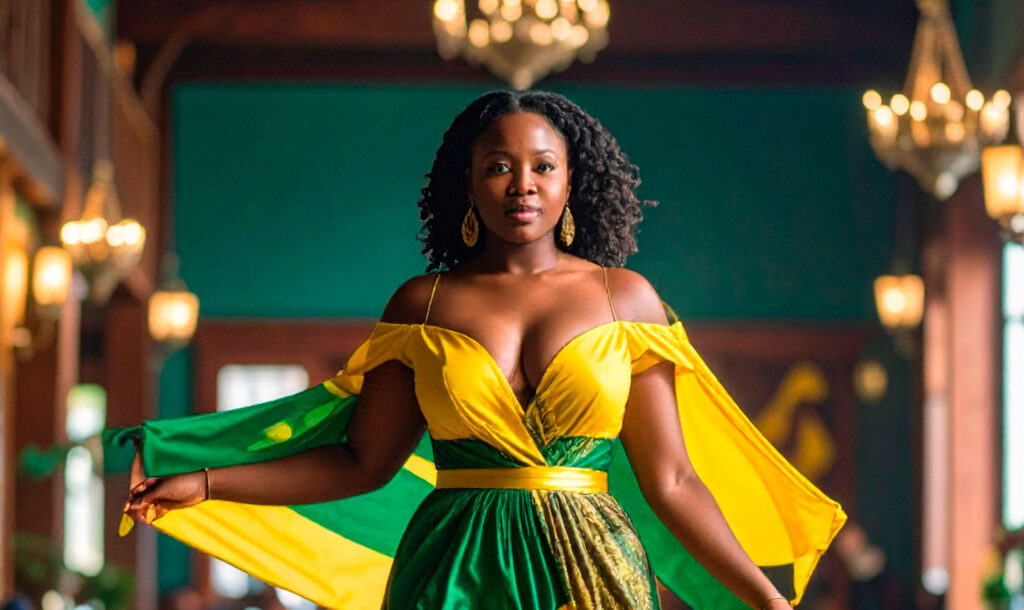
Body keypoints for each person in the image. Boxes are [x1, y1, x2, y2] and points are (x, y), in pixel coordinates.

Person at [114, 90, 845, 609]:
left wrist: (765, 599)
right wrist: (206, 483)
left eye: (543, 166)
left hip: (593, 572)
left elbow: (675, 481)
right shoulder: (422, 305)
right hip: (451, 570)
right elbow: (362, 462)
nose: (522, 185)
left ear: (570, 181)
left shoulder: (625, 299)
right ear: (468, 181)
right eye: (499, 166)